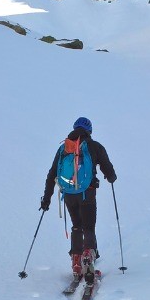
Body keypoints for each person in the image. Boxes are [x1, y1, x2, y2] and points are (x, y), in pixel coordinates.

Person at [40, 117, 117, 284]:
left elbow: (52, 174)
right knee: (88, 227)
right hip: (87, 193)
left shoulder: (64, 148)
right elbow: (109, 171)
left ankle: (76, 263)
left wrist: (46, 199)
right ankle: (88, 259)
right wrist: (111, 177)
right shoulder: (94, 146)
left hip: (68, 194)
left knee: (76, 226)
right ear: (90, 131)